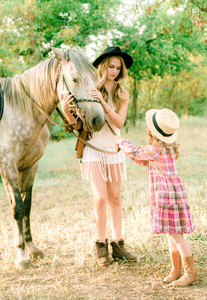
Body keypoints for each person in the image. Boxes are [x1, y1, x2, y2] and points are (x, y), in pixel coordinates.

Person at [60, 46, 138, 266]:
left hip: (113, 149)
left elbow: (119, 123)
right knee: (100, 198)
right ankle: (101, 246)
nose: (114, 71)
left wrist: (103, 103)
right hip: (93, 149)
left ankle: (119, 244)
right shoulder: (89, 86)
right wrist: (67, 110)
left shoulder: (123, 93)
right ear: (103, 66)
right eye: (111, 66)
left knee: (115, 198)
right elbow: (77, 124)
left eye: (118, 68)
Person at [113, 108, 199, 287]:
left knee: (177, 237)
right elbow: (144, 160)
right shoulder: (165, 148)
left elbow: (137, 153)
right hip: (169, 194)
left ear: (152, 131)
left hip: (167, 195)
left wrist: (121, 142)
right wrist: (124, 149)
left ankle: (191, 274)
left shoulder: (157, 148)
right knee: (171, 235)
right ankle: (176, 270)